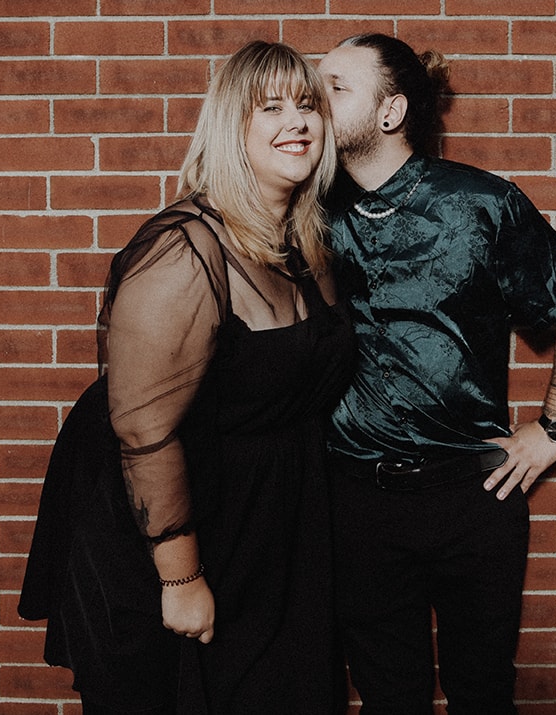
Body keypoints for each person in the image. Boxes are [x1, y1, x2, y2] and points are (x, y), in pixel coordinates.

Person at [18, 41, 357, 714]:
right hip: (169, 529)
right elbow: (144, 430)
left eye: (308, 105)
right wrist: (181, 579)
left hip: (268, 523)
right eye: (270, 108)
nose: (298, 122)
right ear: (231, 126)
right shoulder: (183, 249)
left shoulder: (306, 241)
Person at [317, 34, 556, 715]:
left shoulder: (481, 204)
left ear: (390, 111)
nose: (313, 99)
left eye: (334, 86)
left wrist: (553, 429)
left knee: (482, 693)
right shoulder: (307, 208)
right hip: (355, 497)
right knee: (388, 697)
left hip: (471, 494)